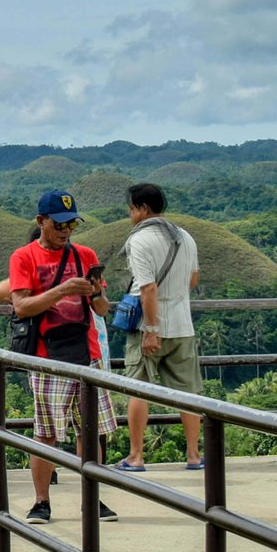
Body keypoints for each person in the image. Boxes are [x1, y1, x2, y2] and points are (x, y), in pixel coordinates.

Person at [8, 190, 118, 524]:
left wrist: (96, 292)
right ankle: (42, 501)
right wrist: (63, 290)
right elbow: (21, 306)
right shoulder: (24, 257)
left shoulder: (85, 255)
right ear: (41, 221)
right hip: (46, 354)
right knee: (46, 433)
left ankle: (92, 499)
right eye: (58, 224)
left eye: (70, 224)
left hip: (87, 352)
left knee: (91, 430)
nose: (65, 231)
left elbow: (101, 309)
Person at [116, 183, 203, 471]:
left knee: (138, 389)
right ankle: (193, 455)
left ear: (142, 209)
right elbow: (193, 280)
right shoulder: (185, 237)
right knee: (188, 393)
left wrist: (152, 328)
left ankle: (136, 456)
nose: (130, 214)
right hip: (182, 325)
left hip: (148, 327)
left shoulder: (140, 240)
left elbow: (148, 288)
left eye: (131, 209)